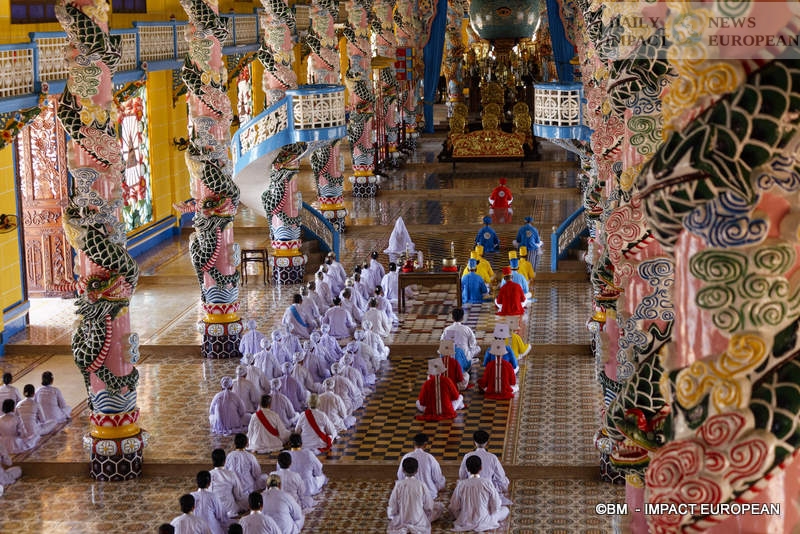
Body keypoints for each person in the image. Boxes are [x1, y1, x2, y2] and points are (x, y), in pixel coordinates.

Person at [449, 455, 509, 532]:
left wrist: (461, 515)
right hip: (485, 519)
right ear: (481, 468)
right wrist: (491, 511)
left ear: (467, 469)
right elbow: (496, 504)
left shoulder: (461, 484)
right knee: (505, 510)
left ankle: (467, 520)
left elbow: (454, 506)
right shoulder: (486, 482)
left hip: (465, 520)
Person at [387, 457, 442, 534]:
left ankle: (405, 526)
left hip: (402, 519)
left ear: (403, 470)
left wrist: (394, 513)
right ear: (417, 471)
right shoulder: (421, 485)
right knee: (439, 507)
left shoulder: (398, 485)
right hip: (418, 520)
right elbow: (429, 506)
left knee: (389, 510)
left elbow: (392, 505)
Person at [459, 430, 512, 505]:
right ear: (487, 443)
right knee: (503, 481)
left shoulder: (467, 456)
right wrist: (505, 489)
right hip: (488, 489)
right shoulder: (492, 457)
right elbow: (500, 477)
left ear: (474, 442)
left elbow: (462, 476)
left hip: (470, 488)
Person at [396, 433, 446, 500]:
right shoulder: (430, 458)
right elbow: (437, 478)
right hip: (429, 494)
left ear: (413, 443)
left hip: (409, 494)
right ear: (425, 444)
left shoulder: (406, 457)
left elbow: (400, 476)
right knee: (440, 482)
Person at [209, 448, 246, 520]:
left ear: (212, 461)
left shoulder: (209, 474)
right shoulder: (231, 474)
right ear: (224, 461)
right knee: (246, 500)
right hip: (230, 510)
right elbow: (239, 496)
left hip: (214, 510)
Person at [15, 384, 44, 451]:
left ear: (23, 393)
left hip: (20, 432)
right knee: (52, 422)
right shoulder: (36, 404)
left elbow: (15, 419)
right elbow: (43, 420)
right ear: (33, 394)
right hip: (33, 430)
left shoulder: (18, 404)